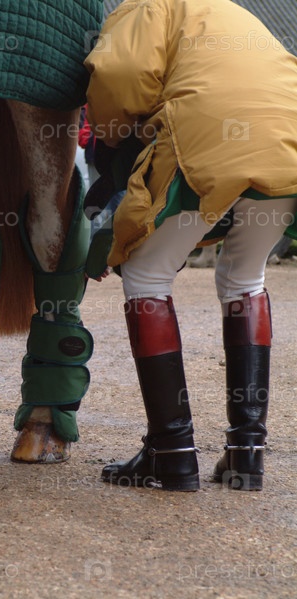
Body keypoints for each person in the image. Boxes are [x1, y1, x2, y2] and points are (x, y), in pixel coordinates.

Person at [84, 0, 297, 491]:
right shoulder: (233, 12)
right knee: (245, 278)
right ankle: (247, 454)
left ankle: (172, 454)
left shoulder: (150, 5)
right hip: (287, 141)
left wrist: (111, 133)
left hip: (210, 133)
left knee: (146, 275)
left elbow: (120, 76)